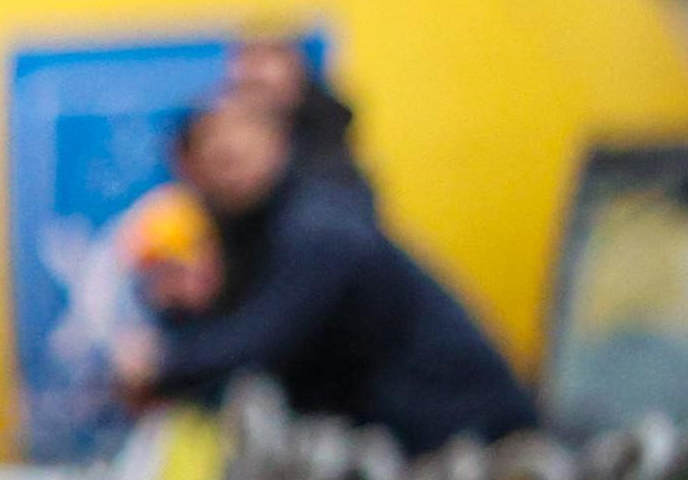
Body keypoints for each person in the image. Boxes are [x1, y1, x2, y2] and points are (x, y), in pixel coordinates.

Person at [116, 83, 539, 452]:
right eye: (216, 159)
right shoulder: (250, 229)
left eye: (239, 150)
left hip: (470, 437)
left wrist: (166, 364)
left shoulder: (318, 224)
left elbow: (266, 337)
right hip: (408, 439)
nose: (230, 166)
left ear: (279, 142)